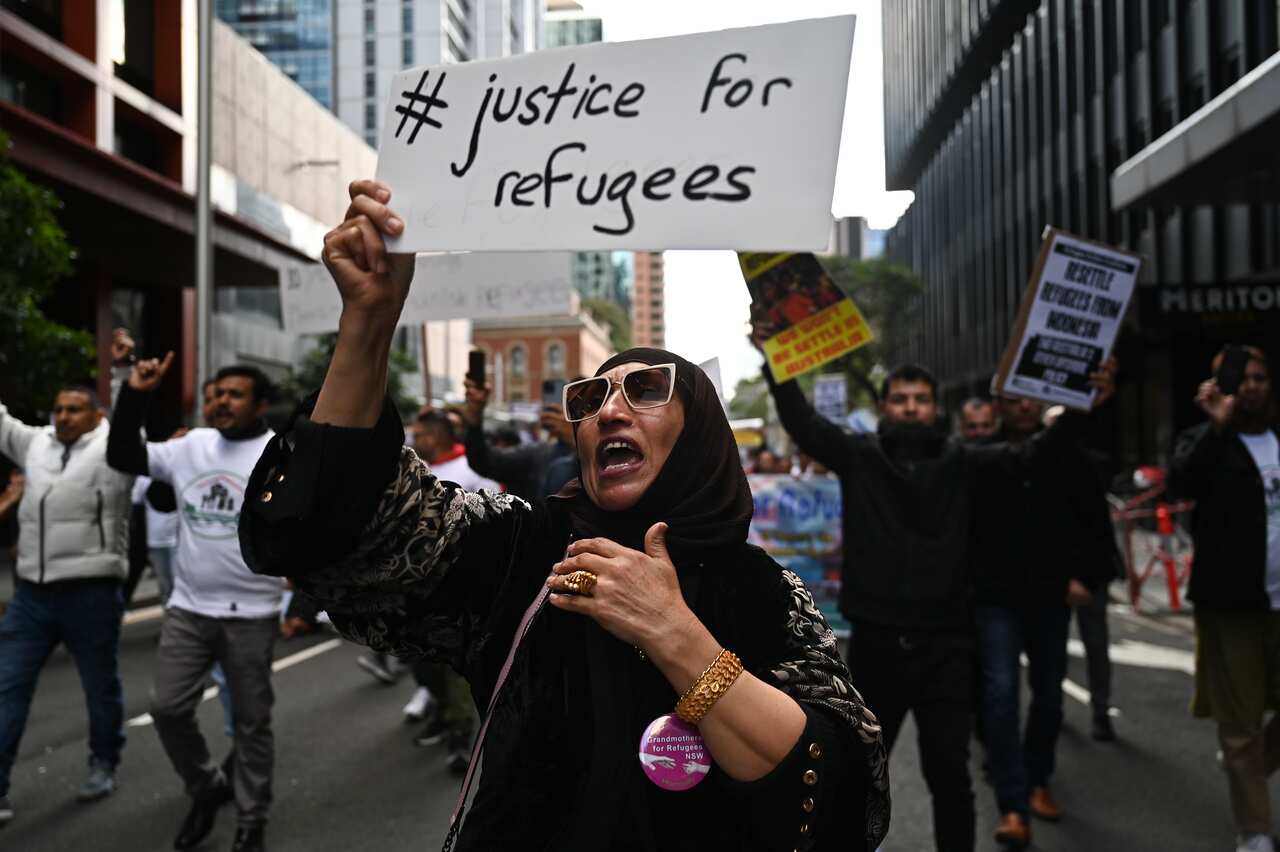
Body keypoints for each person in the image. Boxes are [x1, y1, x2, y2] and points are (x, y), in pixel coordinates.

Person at [238, 178, 890, 851]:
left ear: (701, 436)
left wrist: (676, 637)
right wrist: (367, 327)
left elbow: (838, 795)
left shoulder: (766, 594)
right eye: (590, 397)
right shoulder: (526, 551)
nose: (608, 409)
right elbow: (339, 532)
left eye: (645, 390)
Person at [759, 343, 1116, 852]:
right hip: (876, 645)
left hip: (947, 648)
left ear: (935, 408)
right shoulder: (859, 456)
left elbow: (1035, 453)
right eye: (900, 398)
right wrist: (775, 359)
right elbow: (802, 421)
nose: (909, 407)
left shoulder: (965, 462)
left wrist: (1085, 403)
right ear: (884, 407)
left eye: (920, 399)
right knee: (856, 776)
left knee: (951, 777)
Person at [108, 359, 281, 852]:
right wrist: (135, 393)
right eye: (215, 394)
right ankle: (208, 787)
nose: (220, 401)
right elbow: (123, 454)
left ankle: (251, 822)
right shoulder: (191, 446)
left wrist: (304, 602)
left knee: (252, 723)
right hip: (189, 608)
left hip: (251, 612)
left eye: (234, 394)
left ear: (260, 404)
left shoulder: (279, 455)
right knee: (167, 708)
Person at [968, 394, 1114, 847]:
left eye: (1033, 398)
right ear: (999, 404)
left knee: (1049, 697)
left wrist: (1087, 577)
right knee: (1000, 694)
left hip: (1051, 598)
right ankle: (1013, 804)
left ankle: (1037, 779)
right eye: (1014, 397)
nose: (1024, 406)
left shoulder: (1073, 460)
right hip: (994, 599)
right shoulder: (977, 456)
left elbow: (1095, 522)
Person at [0, 383, 134, 827]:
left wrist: (125, 376)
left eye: (73, 409)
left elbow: (131, 416)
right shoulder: (35, 443)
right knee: (7, 686)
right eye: (57, 408)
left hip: (91, 593)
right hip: (31, 595)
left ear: (96, 415)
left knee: (99, 685)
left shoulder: (114, 450)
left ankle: (104, 761)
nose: (62, 416)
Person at [1171, 346, 1280, 852]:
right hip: (1233, 607)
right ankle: (1255, 832)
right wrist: (1216, 428)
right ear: (1218, 388)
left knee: (1251, 743)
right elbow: (1180, 487)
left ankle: (1250, 762)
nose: (1252, 386)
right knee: (1240, 726)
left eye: (1261, 377)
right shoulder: (1203, 440)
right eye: (1241, 379)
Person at [462, 386, 578, 501]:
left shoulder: (593, 461)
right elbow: (484, 461)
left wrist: (577, 443)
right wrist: (474, 420)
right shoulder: (540, 453)